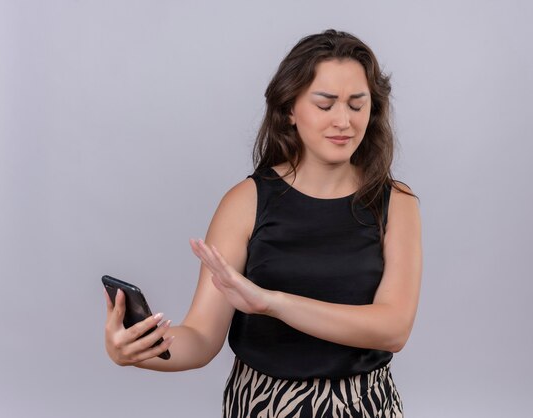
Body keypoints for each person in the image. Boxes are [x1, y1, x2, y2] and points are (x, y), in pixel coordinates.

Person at [104, 29, 422, 418]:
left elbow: (393, 328)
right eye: (325, 105)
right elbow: (201, 339)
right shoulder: (246, 201)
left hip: (363, 405)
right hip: (263, 405)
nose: (344, 120)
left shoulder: (395, 202)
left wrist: (271, 303)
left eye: (357, 105)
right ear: (290, 109)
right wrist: (136, 351)